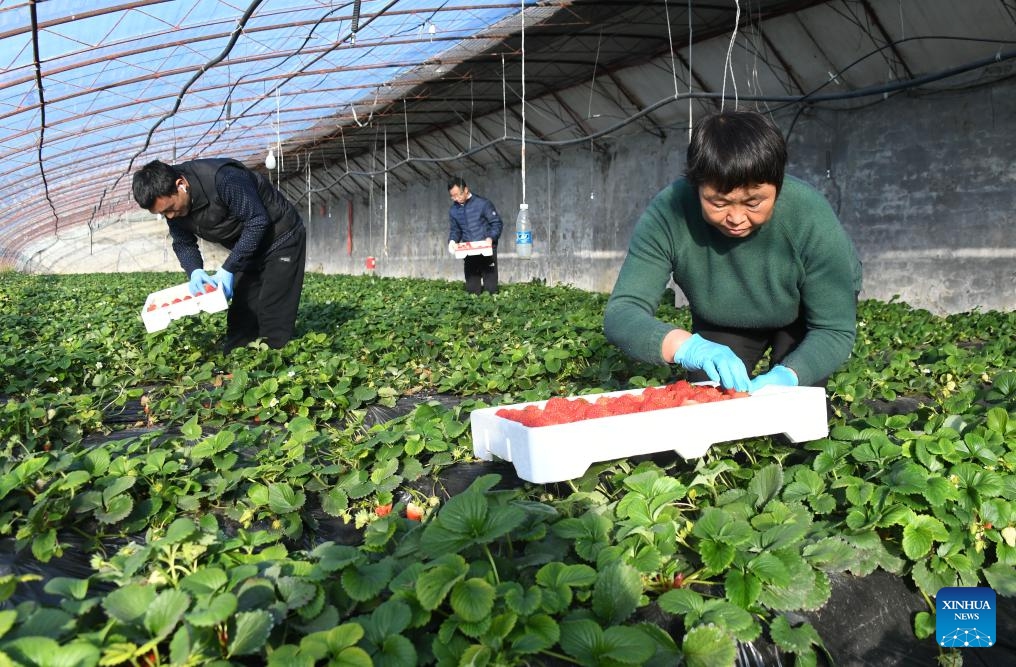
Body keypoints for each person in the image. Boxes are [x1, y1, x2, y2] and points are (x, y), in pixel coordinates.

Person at [604, 109, 862, 394]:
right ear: (696, 186)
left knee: (792, 413)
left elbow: (834, 330)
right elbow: (622, 313)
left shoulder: (809, 216)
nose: (736, 218)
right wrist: (686, 346)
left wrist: (791, 374)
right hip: (724, 316)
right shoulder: (670, 212)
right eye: (719, 203)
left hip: (803, 313)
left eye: (753, 203)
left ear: (778, 184)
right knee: (709, 405)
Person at [132, 158, 307, 352]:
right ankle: (235, 359)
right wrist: (195, 270)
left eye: (170, 209)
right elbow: (183, 243)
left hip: (281, 237)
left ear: (181, 185)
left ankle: (273, 362)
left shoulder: (225, 179)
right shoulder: (174, 210)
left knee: (273, 307)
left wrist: (229, 268)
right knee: (242, 311)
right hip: (247, 246)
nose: (170, 217)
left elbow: (257, 221)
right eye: (164, 214)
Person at [447, 177, 502, 295]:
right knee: (472, 289)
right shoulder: (453, 210)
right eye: (453, 196)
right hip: (469, 252)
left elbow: (496, 223)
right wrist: (452, 241)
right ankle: (475, 312)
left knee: (491, 288)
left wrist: (490, 238)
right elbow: (455, 230)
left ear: (466, 190)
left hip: (487, 251)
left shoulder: (483, 204)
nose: (456, 199)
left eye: (458, 195)